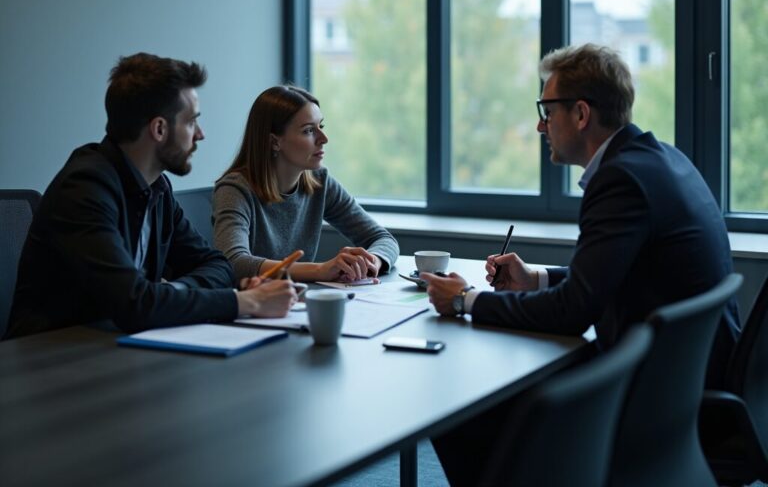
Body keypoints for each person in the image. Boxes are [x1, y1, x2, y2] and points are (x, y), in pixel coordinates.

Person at [422, 43, 741, 485]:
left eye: (547, 110)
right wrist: (537, 278)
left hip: (655, 394)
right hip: (687, 378)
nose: (540, 125)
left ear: (581, 114)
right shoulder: (661, 158)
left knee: (462, 406)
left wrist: (465, 301)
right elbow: (628, 272)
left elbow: (574, 313)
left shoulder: (620, 179)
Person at [4, 53, 296, 340]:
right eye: (192, 122)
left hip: (116, 349)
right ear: (159, 128)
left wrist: (171, 293)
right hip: (49, 361)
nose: (201, 134)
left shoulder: (157, 187)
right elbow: (135, 306)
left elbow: (217, 265)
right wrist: (249, 302)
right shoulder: (84, 188)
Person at [212, 85, 399, 283]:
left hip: (298, 304)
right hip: (252, 307)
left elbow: (383, 238)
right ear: (275, 142)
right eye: (309, 130)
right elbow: (234, 262)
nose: (324, 139)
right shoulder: (234, 189)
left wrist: (371, 262)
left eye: (321, 127)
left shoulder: (319, 181)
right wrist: (320, 270)